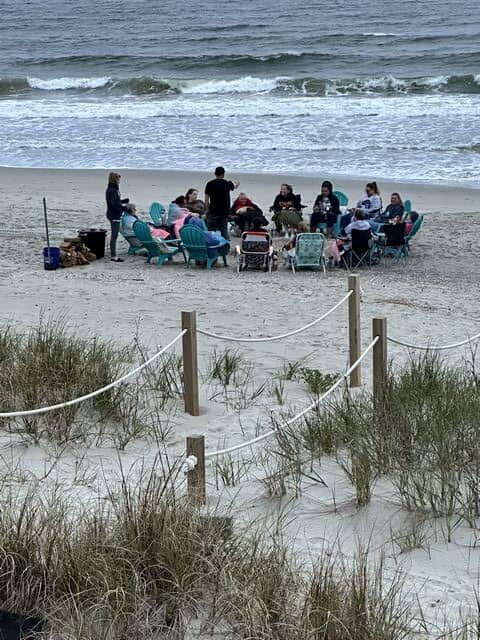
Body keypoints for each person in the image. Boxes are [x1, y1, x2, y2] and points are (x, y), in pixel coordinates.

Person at [204, 166, 239, 240]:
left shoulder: (210, 184)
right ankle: (226, 246)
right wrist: (237, 184)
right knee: (224, 231)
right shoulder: (227, 183)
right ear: (223, 174)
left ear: (215, 174)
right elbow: (235, 186)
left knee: (211, 231)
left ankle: (211, 245)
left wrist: (207, 209)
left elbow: (206, 198)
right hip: (224, 211)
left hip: (213, 211)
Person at [106, 172, 130, 262]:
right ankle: (113, 256)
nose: (119, 181)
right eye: (118, 179)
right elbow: (115, 205)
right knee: (114, 235)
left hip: (112, 213)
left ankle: (113, 254)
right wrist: (125, 208)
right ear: (115, 179)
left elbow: (115, 201)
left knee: (114, 235)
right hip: (114, 214)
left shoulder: (112, 189)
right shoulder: (112, 190)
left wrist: (123, 201)